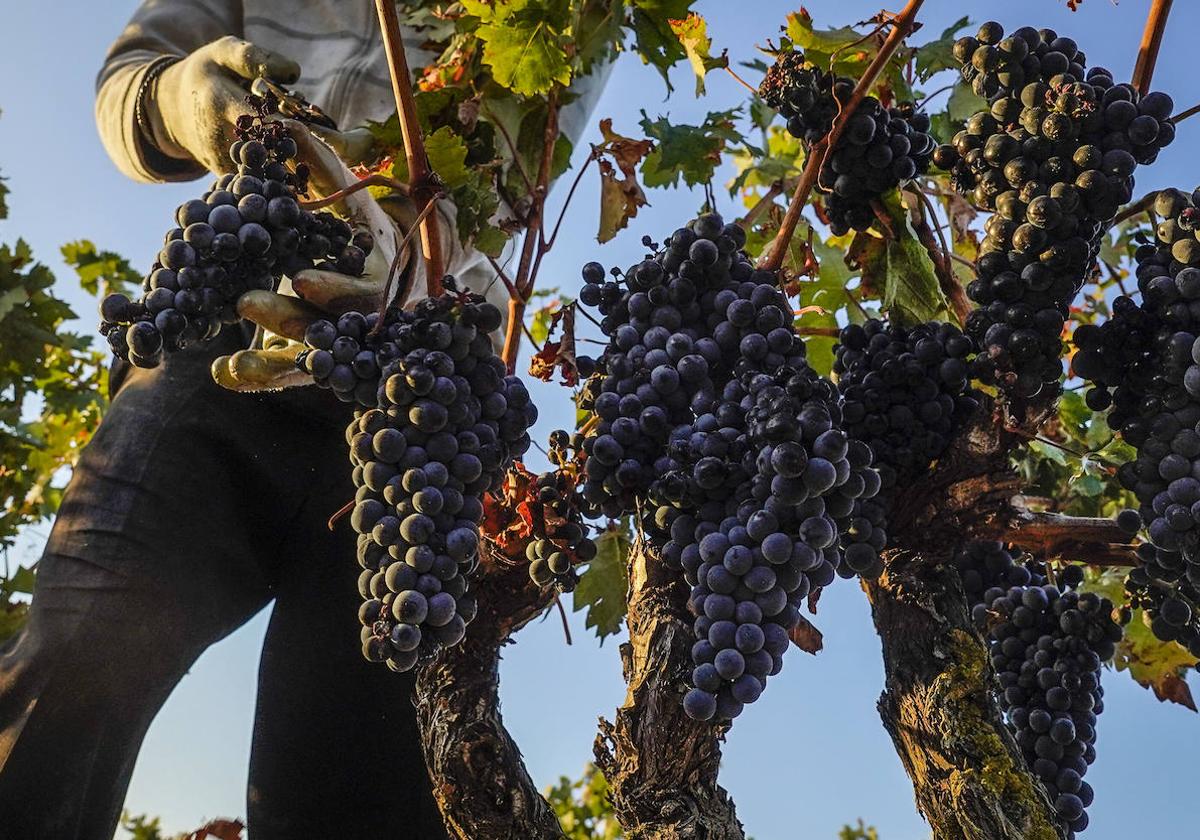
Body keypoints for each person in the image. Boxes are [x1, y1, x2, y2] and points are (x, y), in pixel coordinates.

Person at [0, 2, 605, 838]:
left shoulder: (571, 9)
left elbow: (517, 167)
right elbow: (130, 78)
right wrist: (178, 96)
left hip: (424, 384)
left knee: (360, 782)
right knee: (71, 670)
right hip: (232, 327)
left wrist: (404, 257)